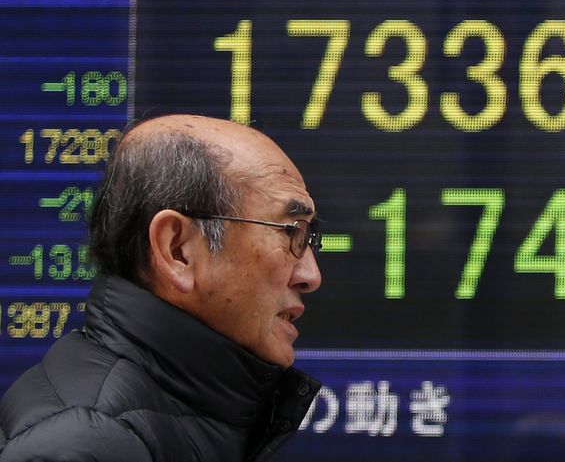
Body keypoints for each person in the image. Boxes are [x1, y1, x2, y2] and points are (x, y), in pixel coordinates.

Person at [0, 115, 323, 461]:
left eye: (309, 238)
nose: (311, 275)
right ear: (177, 250)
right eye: (291, 232)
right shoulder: (85, 447)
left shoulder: (130, 426)